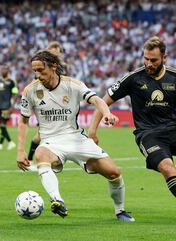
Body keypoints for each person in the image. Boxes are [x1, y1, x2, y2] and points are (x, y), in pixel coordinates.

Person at [88, 36, 176, 223]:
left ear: (164, 57)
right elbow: (103, 101)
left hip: (174, 130)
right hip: (148, 135)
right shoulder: (133, 78)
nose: (148, 63)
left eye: (153, 60)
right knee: (168, 168)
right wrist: (92, 131)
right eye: (145, 58)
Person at [16, 50, 135, 222]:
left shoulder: (73, 85)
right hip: (51, 142)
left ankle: (120, 211)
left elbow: (97, 100)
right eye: (34, 71)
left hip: (76, 139)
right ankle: (57, 200)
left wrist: (107, 113)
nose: (37, 75)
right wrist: (20, 150)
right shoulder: (30, 91)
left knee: (114, 173)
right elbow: (23, 121)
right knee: (41, 154)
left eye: (41, 70)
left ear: (54, 66)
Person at [27, 41, 67, 162]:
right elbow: (37, 79)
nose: (56, 51)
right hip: (45, 99)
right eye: (53, 49)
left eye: (58, 49)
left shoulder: (64, 65)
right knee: (41, 134)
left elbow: (66, 81)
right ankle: (29, 159)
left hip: (60, 101)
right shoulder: (42, 64)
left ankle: (55, 157)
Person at [0, 65, 18, 151]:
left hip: (6, 106)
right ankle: (1, 144)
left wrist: (12, 105)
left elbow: (15, 94)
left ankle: (9, 142)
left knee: (2, 124)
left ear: (8, 71)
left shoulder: (11, 81)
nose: (3, 71)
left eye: (5, 69)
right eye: (2, 69)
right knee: (2, 125)